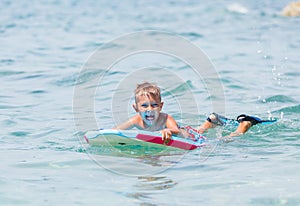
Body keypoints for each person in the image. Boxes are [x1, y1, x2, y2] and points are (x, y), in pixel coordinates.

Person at [113, 82, 180, 144]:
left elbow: (177, 130)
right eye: (144, 106)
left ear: (161, 106)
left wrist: (168, 131)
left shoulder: (165, 118)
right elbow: (115, 131)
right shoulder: (136, 120)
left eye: (154, 105)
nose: (150, 109)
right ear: (136, 108)